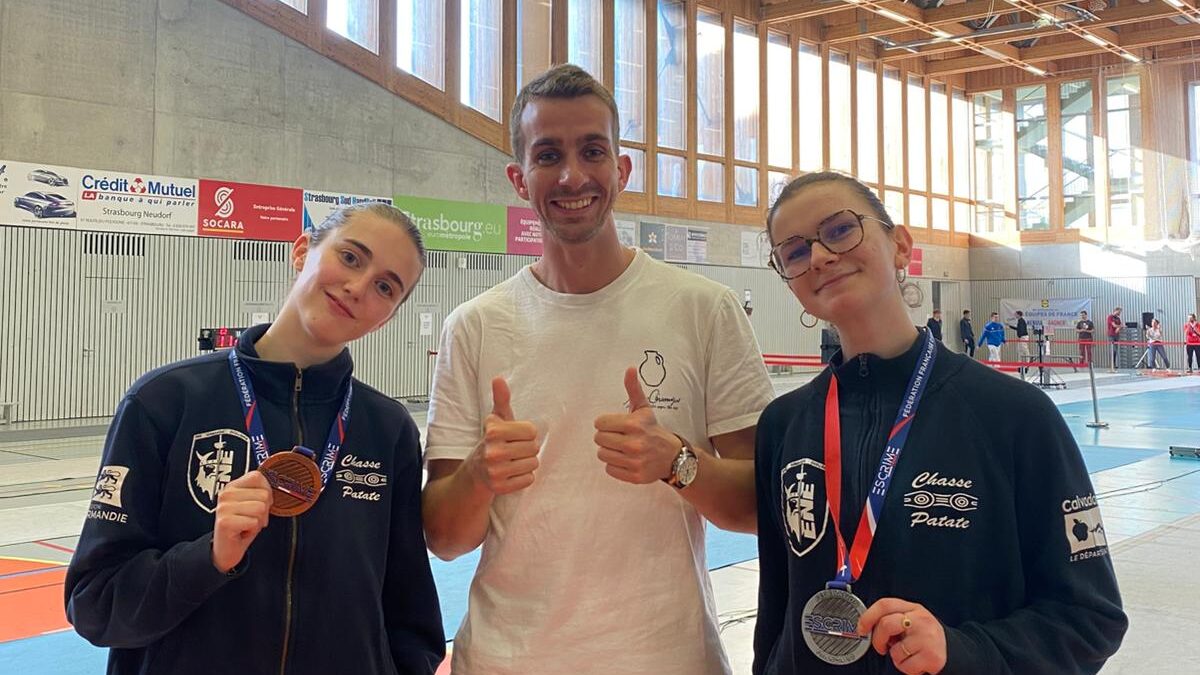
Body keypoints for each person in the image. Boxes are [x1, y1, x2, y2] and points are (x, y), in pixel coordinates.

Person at [421, 64, 775, 675]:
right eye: (548, 155)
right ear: (519, 178)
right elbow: (446, 539)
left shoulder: (704, 310)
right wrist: (480, 474)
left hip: (667, 659)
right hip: (508, 661)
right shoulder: (473, 326)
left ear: (622, 169)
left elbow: (758, 508)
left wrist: (678, 463)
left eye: (592, 151)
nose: (572, 176)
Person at [753, 171, 1126, 675]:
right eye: (795, 252)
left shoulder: (1014, 415)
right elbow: (774, 620)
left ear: (901, 246)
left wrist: (960, 650)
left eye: (839, 230)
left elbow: (1090, 619)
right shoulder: (783, 425)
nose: (819, 256)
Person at [64, 205, 446, 674]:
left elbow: (412, 621)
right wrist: (209, 558)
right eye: (350, 258)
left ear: (388, 316)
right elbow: (96, 604)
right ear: (302, 251)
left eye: (386, 287)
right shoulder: (165, 401)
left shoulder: (387, 430)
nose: (358, 287)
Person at [1106, 306, 1124, 371]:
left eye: (1120, 312)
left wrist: (1120, 327)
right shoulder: (1110, 317)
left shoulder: (1118, 319)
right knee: (1113, 349)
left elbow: (1121, 326)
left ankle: (1114, 364)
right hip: (1111, 335)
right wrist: (1119, 326)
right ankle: (1112, 364)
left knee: (1116, 350)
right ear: (1115, 311)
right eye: (1119, 312)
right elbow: (1114, 325)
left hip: (1117, 335)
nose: (1119, 313)